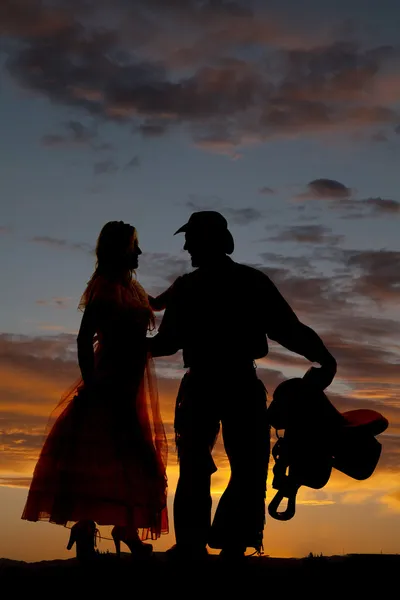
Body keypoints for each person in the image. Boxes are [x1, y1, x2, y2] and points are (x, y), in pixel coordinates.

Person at [148, 210, 337, 560]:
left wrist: (126, 348)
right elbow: (288, 329)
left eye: (191, 238)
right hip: (236, 383)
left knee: (201, 467)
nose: (186, 245)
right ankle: (229, 542)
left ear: (208, 241)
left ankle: (196, 545)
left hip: (205, 385)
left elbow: (167, 342)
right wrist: (323, 358)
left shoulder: (190, 288)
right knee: (243, 467)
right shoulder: (246, 281)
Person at [22, 221, 168, 559]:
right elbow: (83, 338)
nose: (141, 252)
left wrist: (185, 286)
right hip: (111, 381)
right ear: (120, 249)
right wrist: (92, 382)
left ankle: (120, 527)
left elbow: (157, 303)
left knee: (119, 456)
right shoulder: (105, 289)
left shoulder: (132, 289)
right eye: (135, 245)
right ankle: (92, 527)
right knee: (113, 454)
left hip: (131, 383)